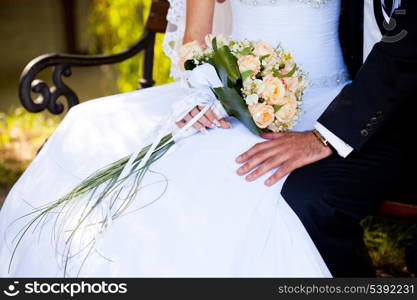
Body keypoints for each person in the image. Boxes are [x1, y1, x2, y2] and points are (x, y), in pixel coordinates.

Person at [0, 0, 413, 277]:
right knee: (91, 126)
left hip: (328, 100)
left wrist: (318, 127)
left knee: (247, 184)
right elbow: (194, 41)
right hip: (232, 94)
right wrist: (208, 90)